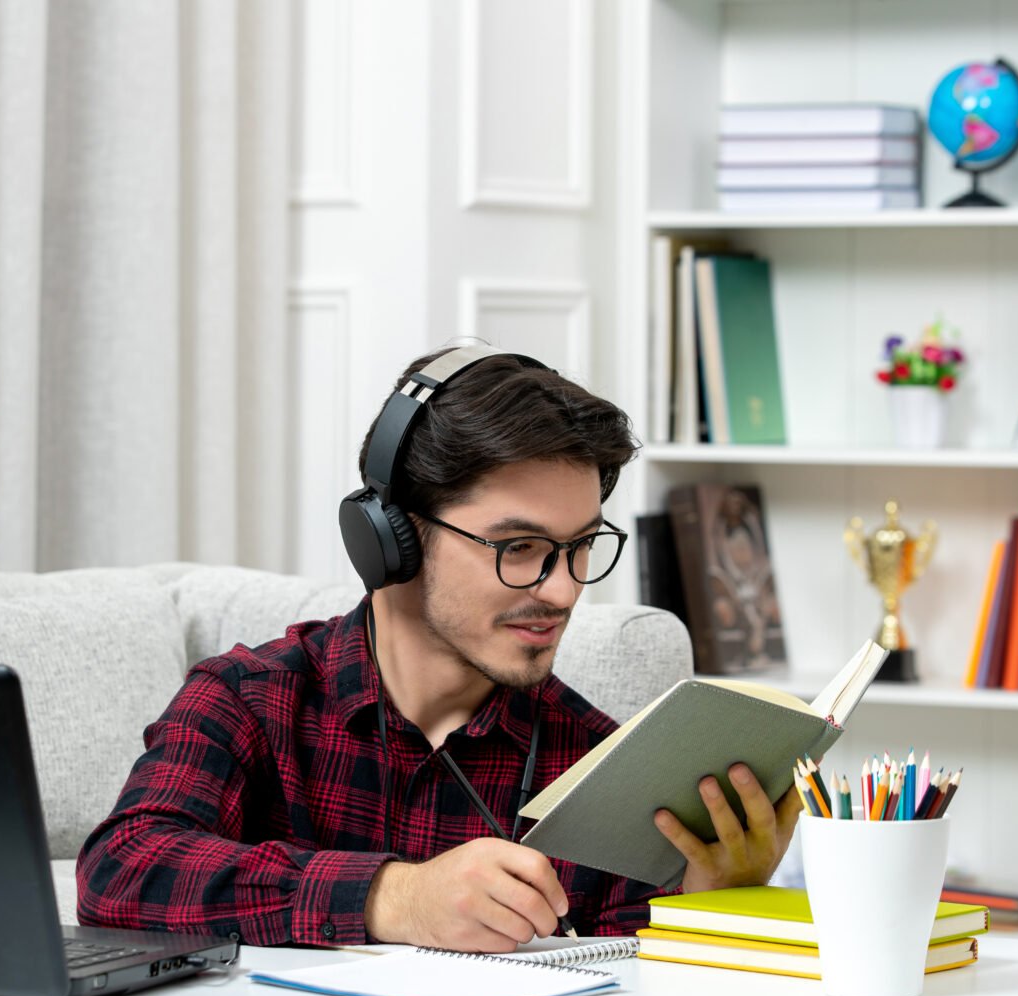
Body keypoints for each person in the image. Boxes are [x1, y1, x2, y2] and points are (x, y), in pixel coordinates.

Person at [77, 343, 800, 952]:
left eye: (581, 547)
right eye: (519, 547)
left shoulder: (600, 767)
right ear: (390, 535)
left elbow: (639, 986)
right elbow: (120, 871)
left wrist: (708, 912)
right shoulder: (249, 700)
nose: (562, 590)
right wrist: (396, 898)